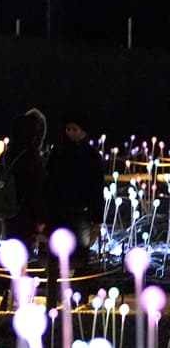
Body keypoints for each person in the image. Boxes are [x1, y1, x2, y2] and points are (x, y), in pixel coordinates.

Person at [44, 110, 105, 307]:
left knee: (81, 256)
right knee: (55, 257)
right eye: (68, 129)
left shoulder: (91, 156)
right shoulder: (58, 152)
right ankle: (53, 298)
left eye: (74, 129)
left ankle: (79, 299)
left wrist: (97, 218)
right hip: (59, 213)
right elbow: (49, 182)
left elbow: (97, 188)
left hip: (82, 214)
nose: (70, 132)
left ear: (83, 132)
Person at [1, 108, 49, 250]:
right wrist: (41, 218)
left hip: (8, 212)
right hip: (26, 215)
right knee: (23, 253)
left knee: (14, 254)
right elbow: (37, 190)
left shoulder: (6, 155)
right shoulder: (32, 157)